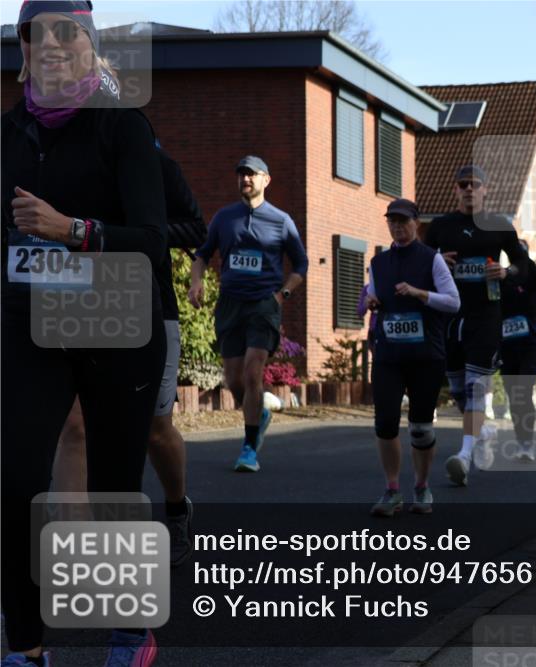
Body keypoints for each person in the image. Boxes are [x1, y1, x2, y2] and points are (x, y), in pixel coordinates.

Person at [2, 2, 167, 663]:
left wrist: (70, 229)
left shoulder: (121, 127)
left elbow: (153, 241)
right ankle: (25, 647)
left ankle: (130, 632)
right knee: (14, 482)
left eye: (66, 34)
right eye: (36, 36)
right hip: (31, 325)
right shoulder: (9, 134)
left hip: (118, 322)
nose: (52, 47)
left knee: (113, 487)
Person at [51, 145, 204, 568]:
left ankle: (176, 509)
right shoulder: (60, 160)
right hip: (79, 305)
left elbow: (196, 230)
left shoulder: (155, 163)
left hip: (149, 308)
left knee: (155, 430)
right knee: (75, 424)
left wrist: (120, 232)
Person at [189, 155, 308, 472]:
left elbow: (301, 265)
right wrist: (196, 283)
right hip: (230, 303)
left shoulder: (281, 221)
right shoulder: (224, 218)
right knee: (233, 379)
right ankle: (260, 415)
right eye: (241, 175)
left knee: (253, 372)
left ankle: (249, 448)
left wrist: (283, 294)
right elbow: (201, 255)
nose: (245, 180)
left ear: (266, 180)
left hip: (263, 304)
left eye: (252, 175)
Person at [423, 165, 530, 486]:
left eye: (476, 184)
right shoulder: (441, 227)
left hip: (486, 314)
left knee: (474, 386)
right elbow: (421, 265)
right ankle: (483, 430)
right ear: (455, 190)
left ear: (486, 190)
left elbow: (525, 266)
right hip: (452, 315)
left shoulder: (499, 225)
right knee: (457, 389)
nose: (470, 189)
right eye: (463, 184)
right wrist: (438, 260)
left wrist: (506, 272)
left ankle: (464, 456)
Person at [365, 199, 459, 516]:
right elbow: (368, 298)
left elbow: (453, 302)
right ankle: (392, 489)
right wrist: (370, 302)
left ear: (416, 224)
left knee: (420, 428)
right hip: (389, 354)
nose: (398, 226)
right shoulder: (378, 263)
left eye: (403, 221)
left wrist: (420, 293)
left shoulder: (432, 260)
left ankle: (421, 485)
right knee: (385, 423)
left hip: (425, 356)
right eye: (392, 221)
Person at [499, 241, 536, 461]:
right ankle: (521, 440)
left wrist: (521, 258)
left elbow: (530, 270)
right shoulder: (502, 281)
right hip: (508, 346)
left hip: (531, 344)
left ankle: (527, 443)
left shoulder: (532, 278)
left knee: (523, 390)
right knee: (514, 397)